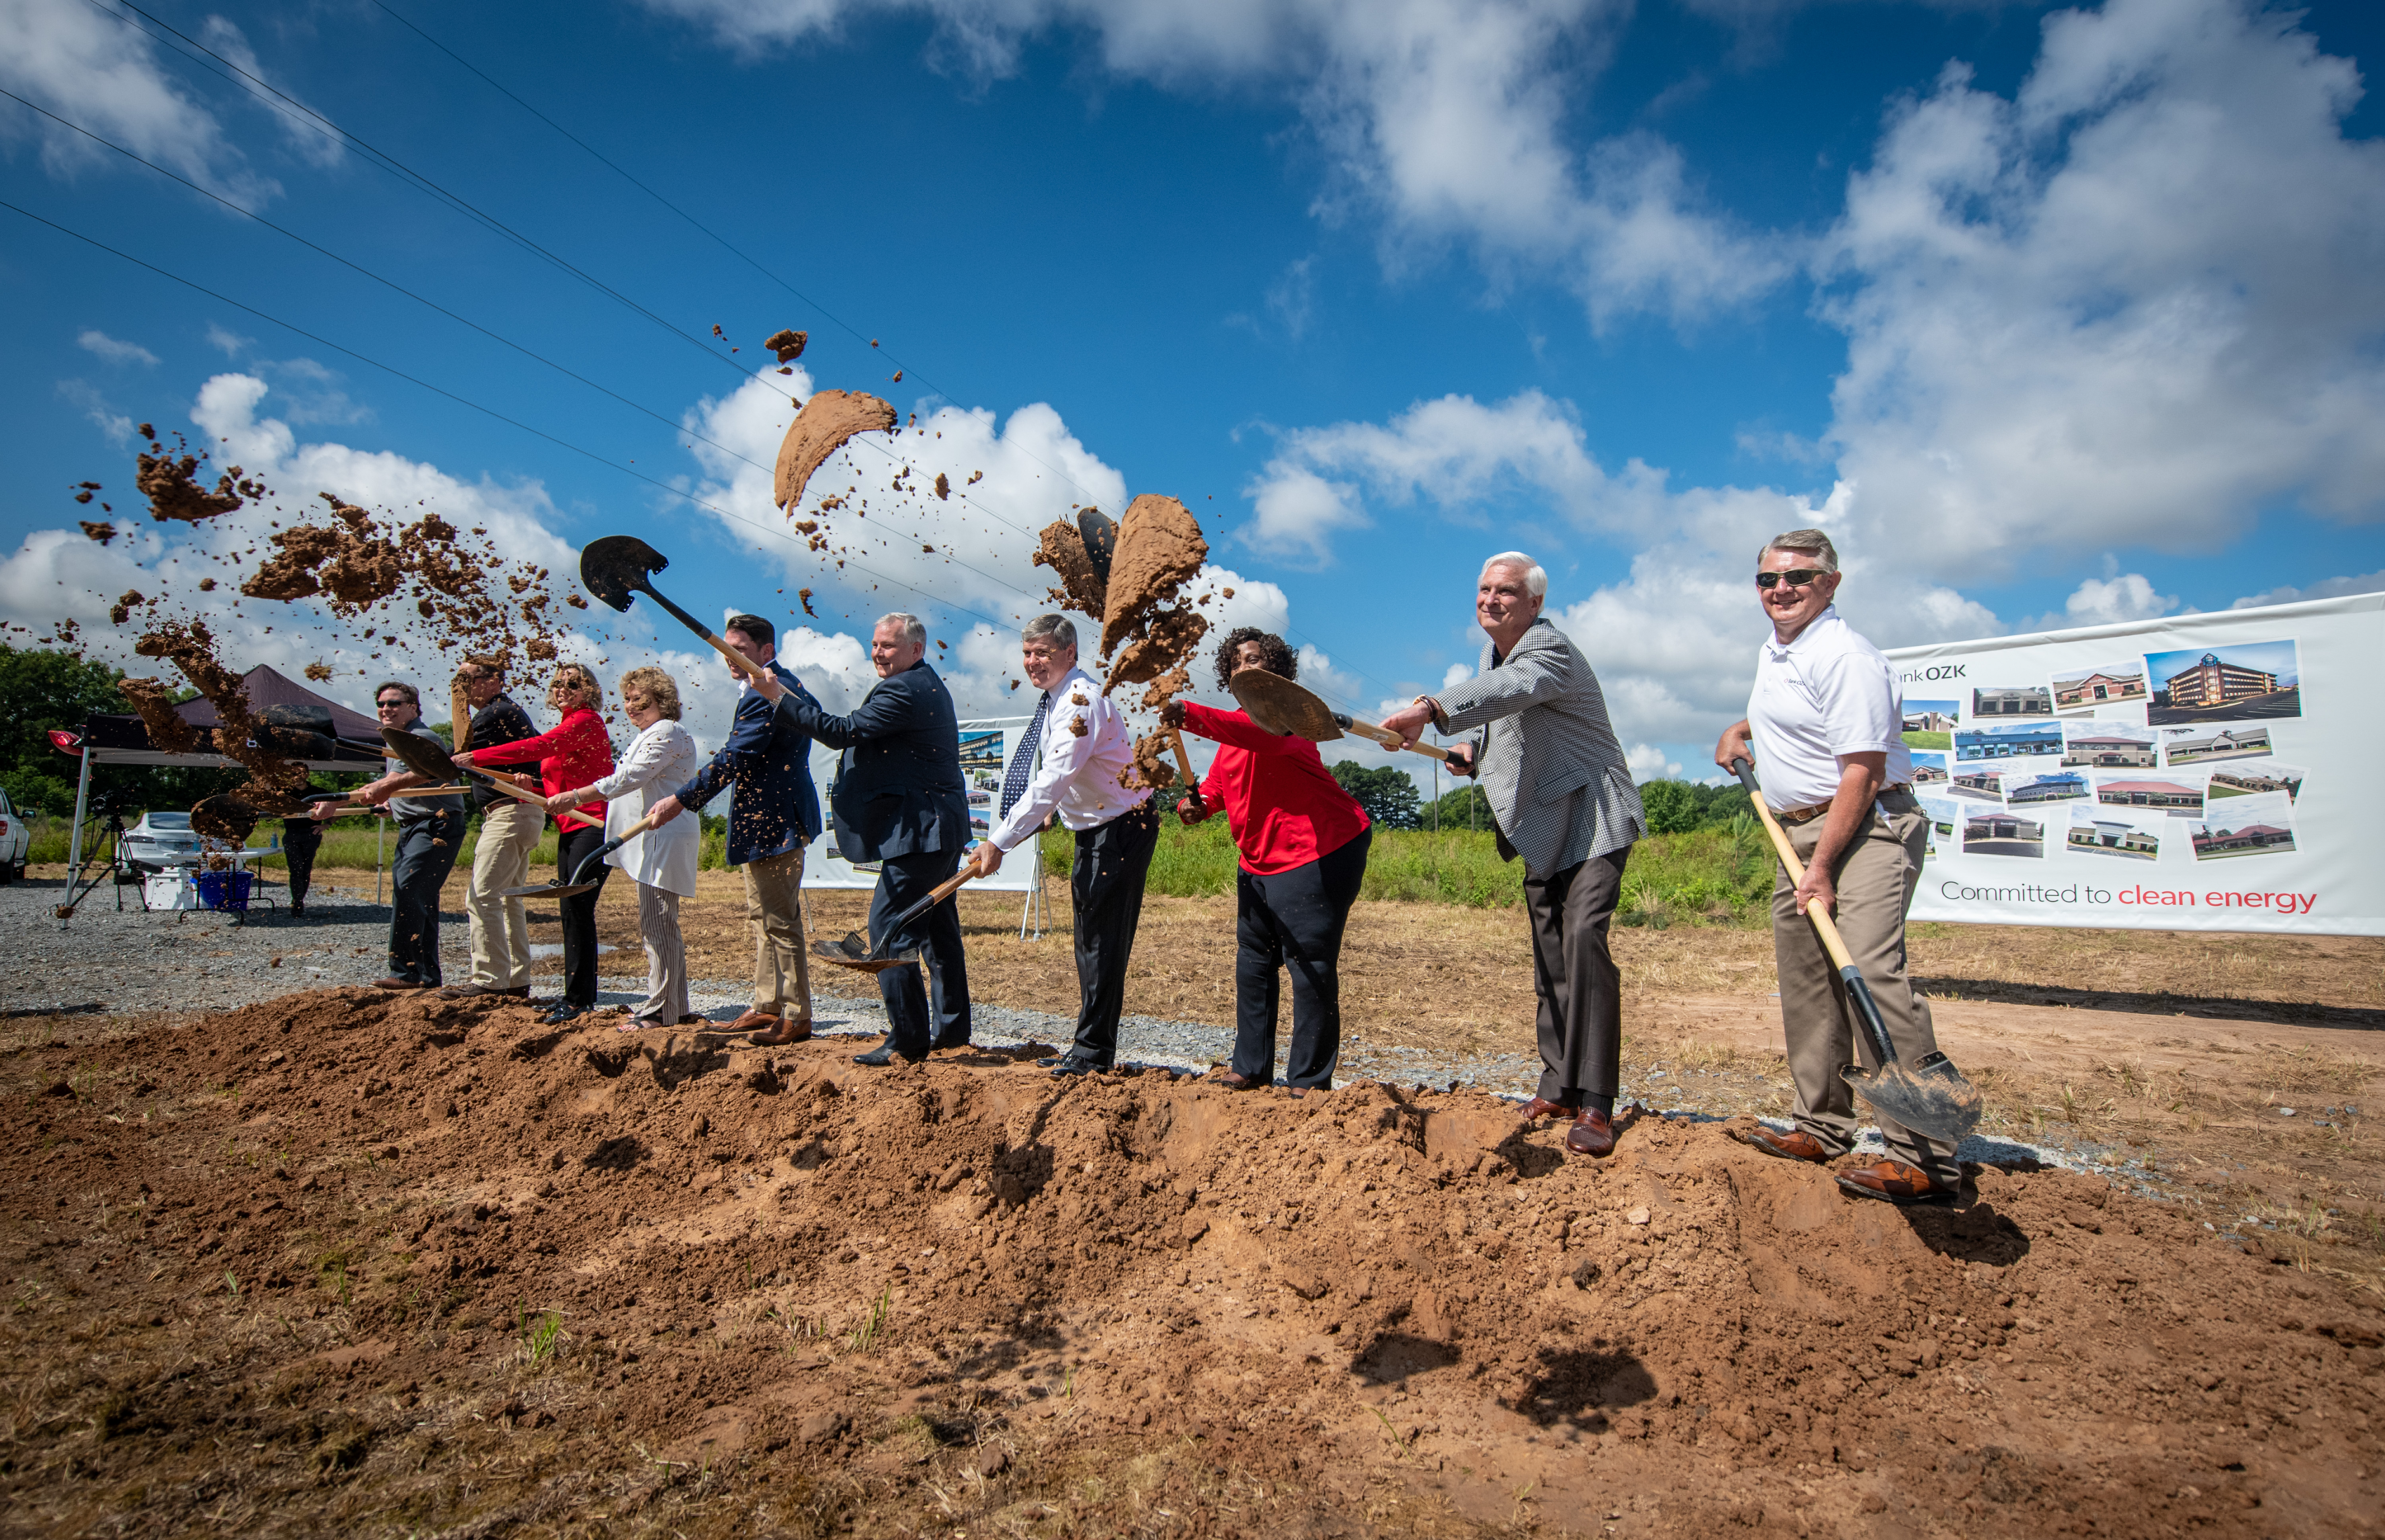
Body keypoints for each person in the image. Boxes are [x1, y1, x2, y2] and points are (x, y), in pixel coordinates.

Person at [1710, 529, 1956, 1205]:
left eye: (1798, 577)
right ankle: (1822, 1123)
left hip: (1866, 824)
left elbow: (1863, 770)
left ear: (1832, 582)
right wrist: (1744, 729)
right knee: (1810, 978)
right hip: (1802, 830)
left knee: (1871, 973)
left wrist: (1819, 867)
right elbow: (1802, 716)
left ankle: (1926, 1156)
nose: (1780, 589)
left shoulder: (1847, 655)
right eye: (1767, 579)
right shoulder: (1783, 649)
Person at [1380, 553, 1644, 1157]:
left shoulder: (1549, 649)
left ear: (1535, 604)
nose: (1491, 599)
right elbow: (1508, 717)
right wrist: (1472, 748)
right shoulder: (1491, 655)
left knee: (1583, 937)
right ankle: (1558, 1082)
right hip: (1545, 820)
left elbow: (1513, 689)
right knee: (1550, 950)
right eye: (1483, 589)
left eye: (1506, 590)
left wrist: (1432, 710)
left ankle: (1597, 1099)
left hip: (1596, 813)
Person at [1160, 628, 1371, 1094]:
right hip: (1257, 861)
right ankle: (1250, 1066)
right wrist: (1193, 807)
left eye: (1254, 660)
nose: (1243, 668)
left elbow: (1261, 739)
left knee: (1309, 962)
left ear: (1276, 671)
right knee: (1253, 960)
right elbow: (1216, 786)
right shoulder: (1233, 729)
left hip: (1319, 849)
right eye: (1235, 662)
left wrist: (1190, 714)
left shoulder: (1290, 720)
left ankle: (1308, 1080)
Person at [754, 612, 970, 1066]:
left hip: (921, 830)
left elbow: (841, 731)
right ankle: (951, 1029)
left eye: (888, 645)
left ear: (916, 649)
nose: (877, 652)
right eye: (874, 644)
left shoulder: (904, 689)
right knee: (937, 929)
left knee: (888, 926)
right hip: (936, 825)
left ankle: (908, 1038)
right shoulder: (926, 683)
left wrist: (779, 698)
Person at [968, 614, 1155, 1077]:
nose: (1033, 662)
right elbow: (1069, 775)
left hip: (1121, 826)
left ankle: (1093, 1053)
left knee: (1102, 942)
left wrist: (999, 841)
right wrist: (1056, 811)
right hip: (1097, 824)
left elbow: (1052, 779)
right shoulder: (1055, 700)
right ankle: (1087, 1045)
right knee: (1090, 939)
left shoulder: (1078, 702)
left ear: (1070, 654)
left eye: (1044, 653)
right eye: (1028, 652)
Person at [645, 614, 824, 1046]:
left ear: (767, 652)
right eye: (726, 648)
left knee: (779, 920)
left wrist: (679, 800)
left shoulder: (770, 693)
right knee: (763, 917)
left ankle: (796, 1014)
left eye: (740, 649)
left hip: (775, 820)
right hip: (765, 821)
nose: (729, 657)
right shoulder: (769, 687)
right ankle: (768, 1005)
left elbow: (734, 757)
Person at [454, 662, 615, 1024]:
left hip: (593, 824)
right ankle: (574, 998)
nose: (562, 688)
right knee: (570, 912)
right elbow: (560, 781)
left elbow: (540, 745)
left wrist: (474, 757)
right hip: (570, 827)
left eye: (572, 683)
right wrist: (534, 787)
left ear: (589, 689)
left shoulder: (587, 720)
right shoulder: (567, 726)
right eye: (558, 683)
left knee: (576, 911)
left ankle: (578, 1003)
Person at [544, 666, 699, 1030]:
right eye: (627, 699)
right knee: (657, 926)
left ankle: (662, 1009)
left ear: (660, 699)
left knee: (659, 926)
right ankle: (671, 1006)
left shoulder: (668, 732)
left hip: (664, 835)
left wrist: (577, 796)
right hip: (651, 837)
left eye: (639, 698)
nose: (630, 705)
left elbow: (630, 778)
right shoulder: (649, 734)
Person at [321, 680, 465, 990]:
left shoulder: (420, 737)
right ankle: (426, 977)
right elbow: (401, 786)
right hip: (415, 825)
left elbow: (395, 780)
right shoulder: (396, 741)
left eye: (395, 703)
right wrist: (393, 803)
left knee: (409, 890)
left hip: (436, 825)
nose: (386, 708)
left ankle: (406, 973)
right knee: (420, 897)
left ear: (413, 707)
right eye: (382, 703)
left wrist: (336, 800)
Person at [440, 656, 545, 1000]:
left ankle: (489, 980)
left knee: (483, 895)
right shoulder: (510, 713)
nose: (461, 688)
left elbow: (456, 760)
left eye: (467, 679)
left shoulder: (493, 714)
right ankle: (516, 980)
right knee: (509, 899)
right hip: (522, 813)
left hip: (509, 814)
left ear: (494, 680)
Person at [278, 810, 320, 918]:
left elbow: (339, 808)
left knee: (306, 871)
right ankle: (297, 903)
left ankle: (299, 900)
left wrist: (327, 825)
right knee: (296, 870)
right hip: (291, 834)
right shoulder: (286, 793)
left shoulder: (318, 793)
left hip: (311, 834)